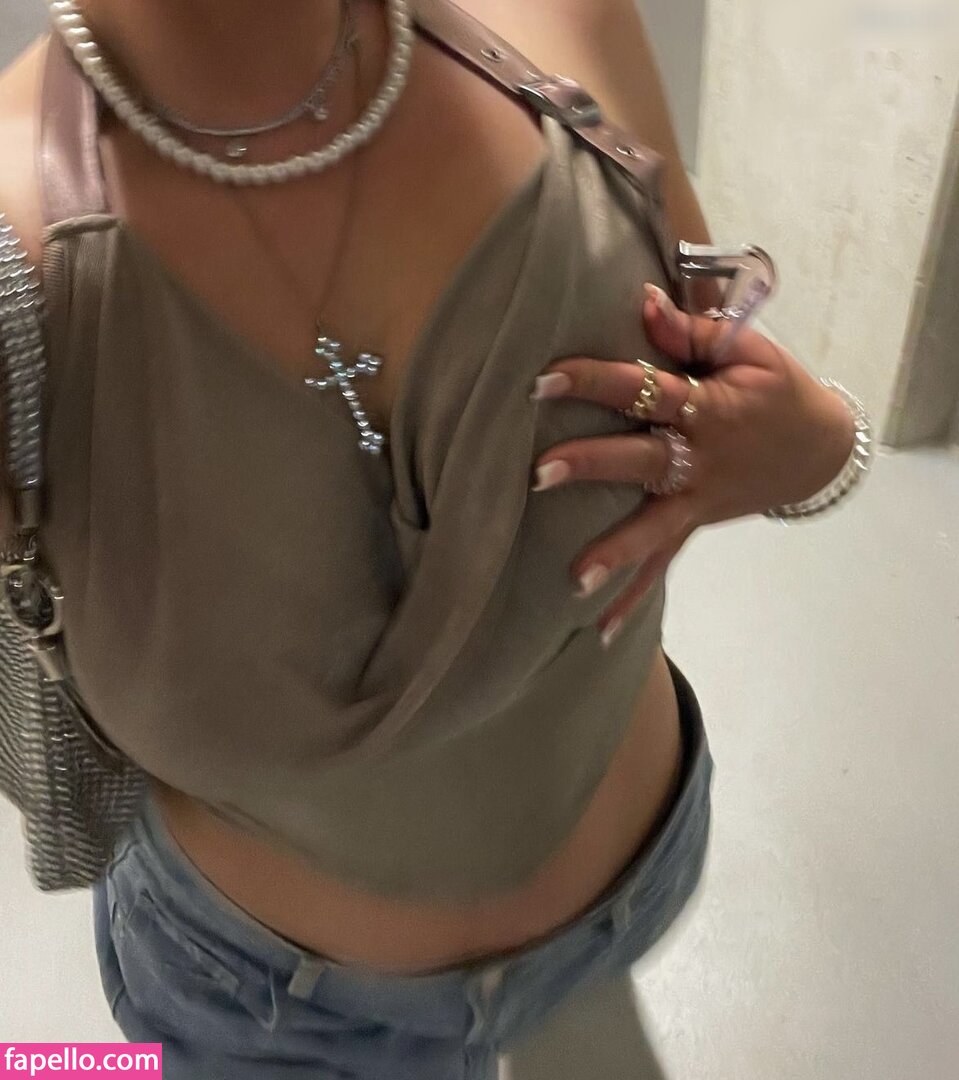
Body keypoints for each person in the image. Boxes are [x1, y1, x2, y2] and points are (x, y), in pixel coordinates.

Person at [0, 0, 862, 1076]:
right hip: (271, 1015)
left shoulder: (564, 25)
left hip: (633, 878)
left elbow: (720, 367)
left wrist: (813, 442)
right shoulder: (19, 261)